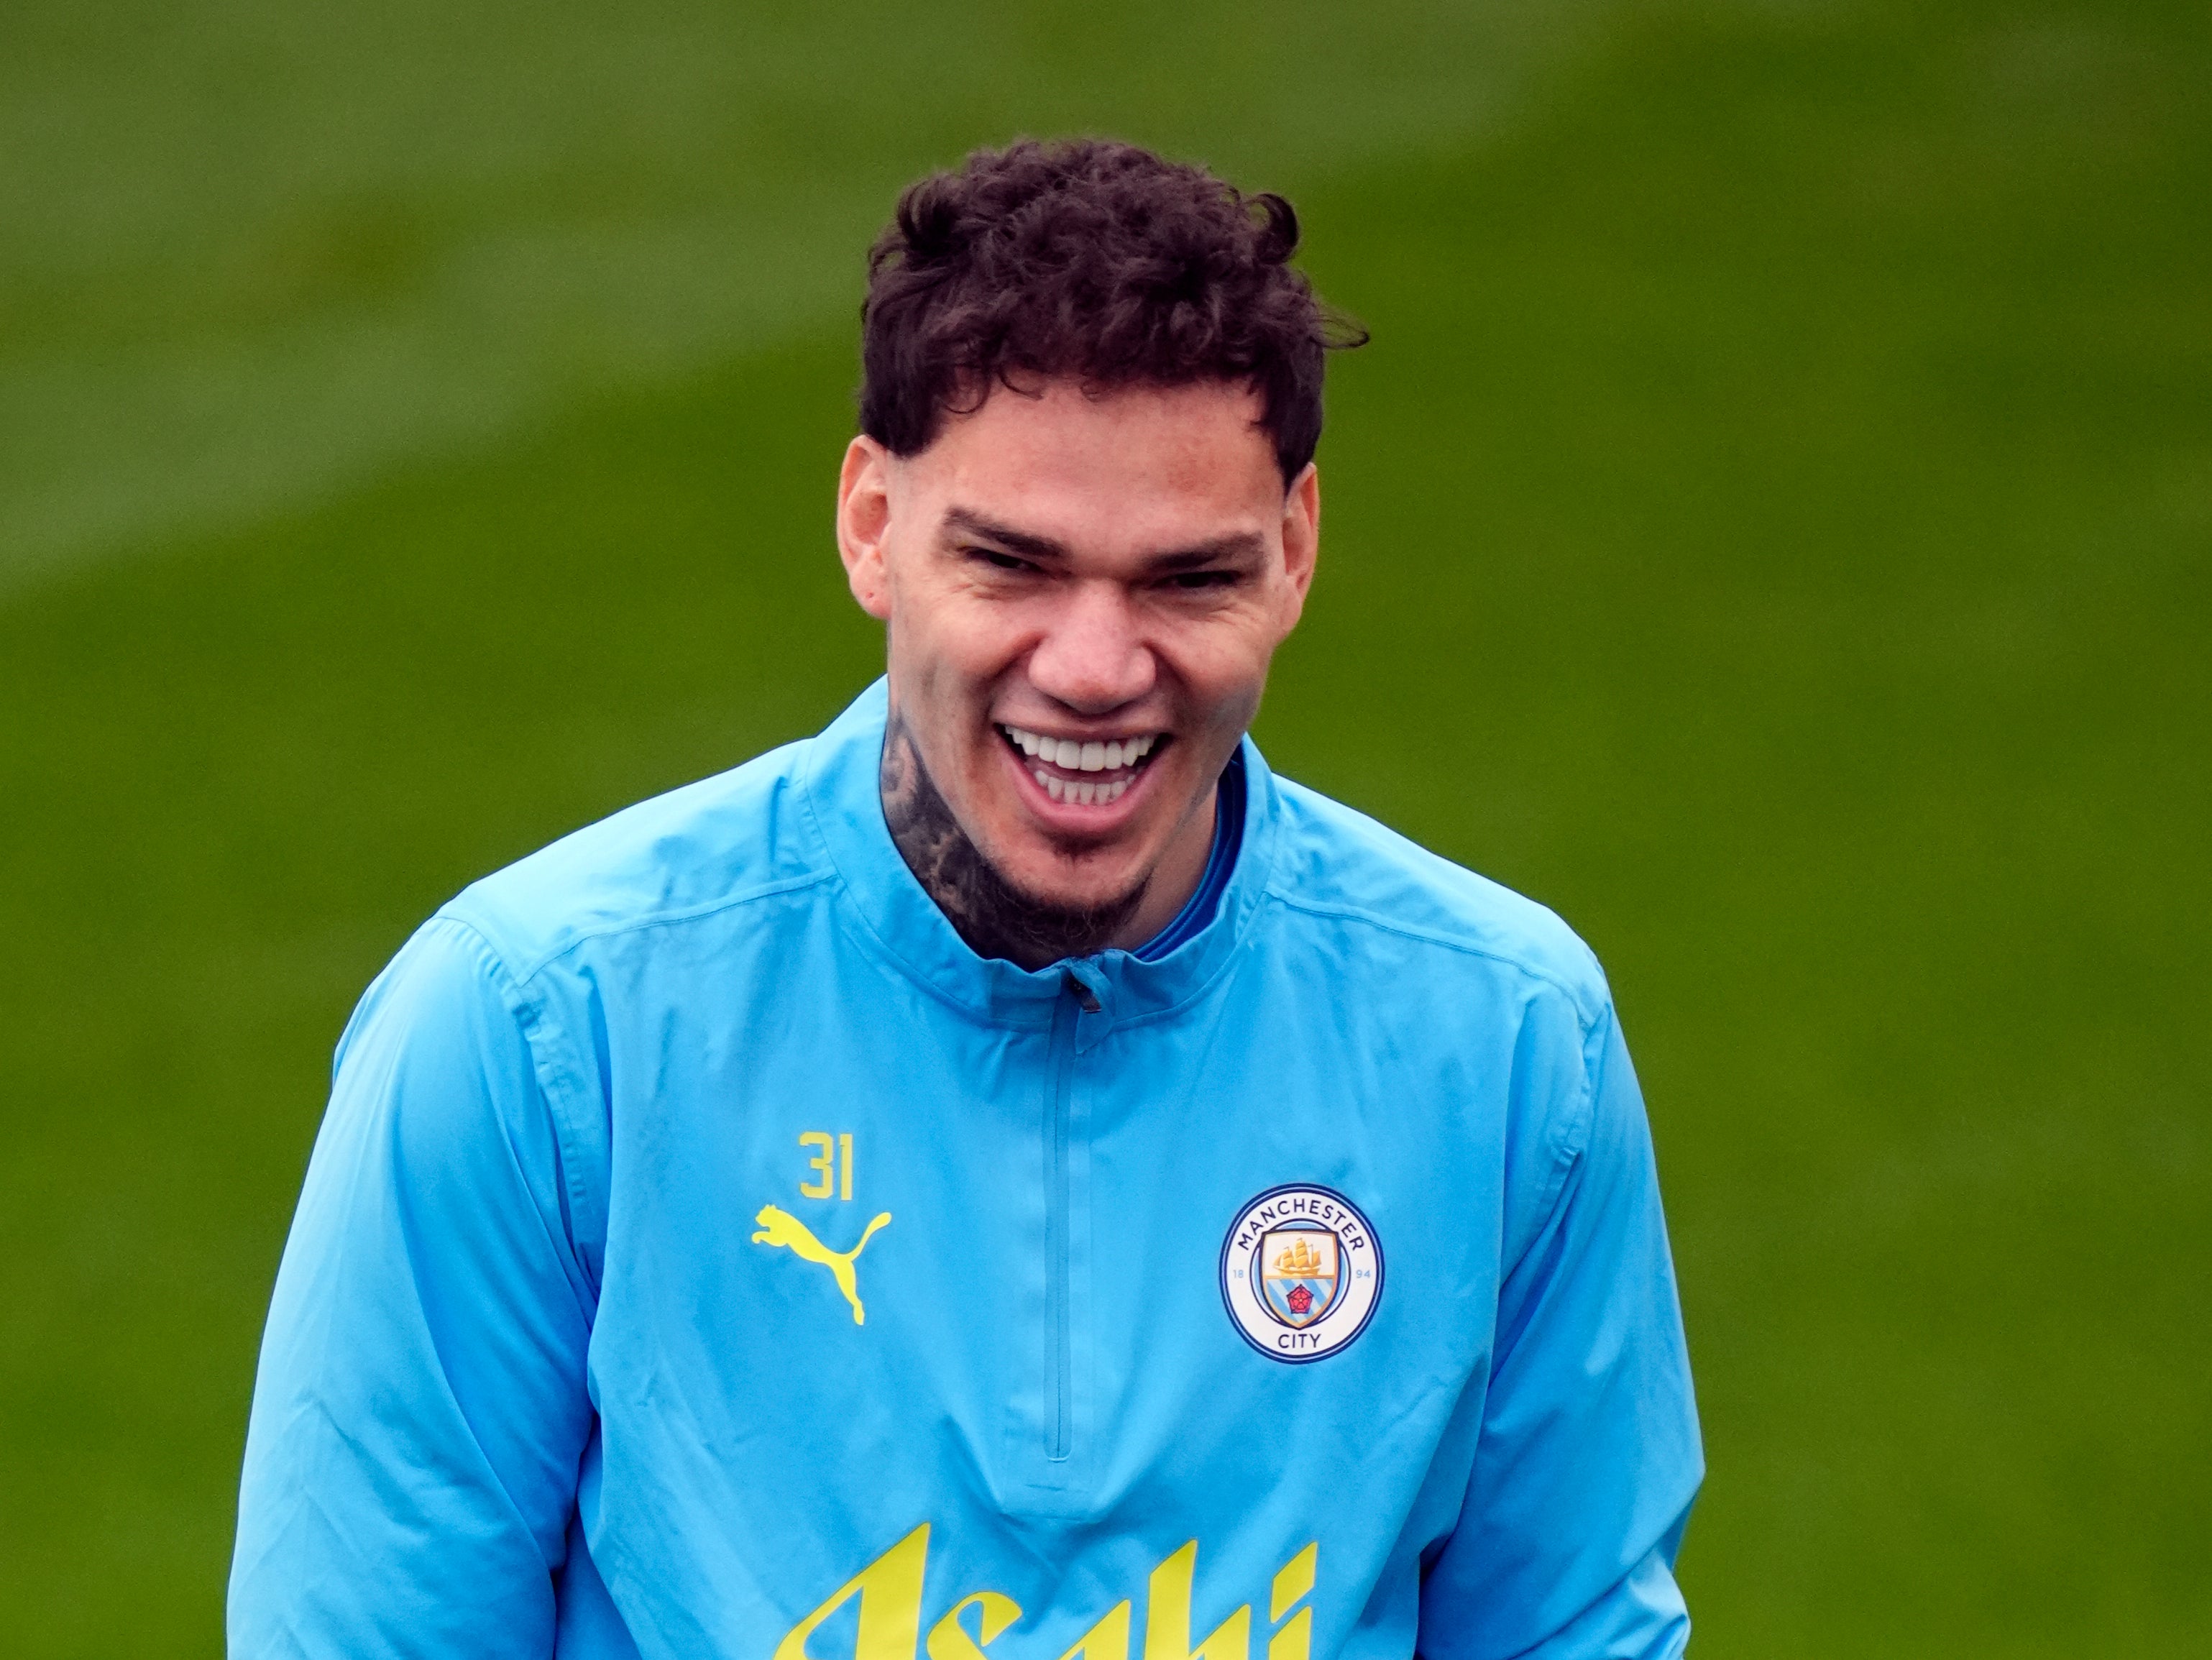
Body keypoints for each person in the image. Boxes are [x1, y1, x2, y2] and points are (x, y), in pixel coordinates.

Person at [229, 138, 1702, 1660]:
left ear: (1295, 552)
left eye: (1186, 581)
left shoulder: (1511, 1047)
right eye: (1012, 564)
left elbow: (1569, 1634)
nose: (1092, 666)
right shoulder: (540, 1029)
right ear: (873, 525)